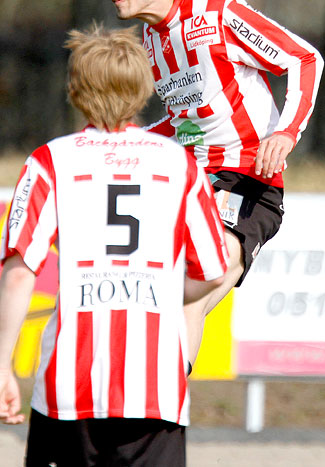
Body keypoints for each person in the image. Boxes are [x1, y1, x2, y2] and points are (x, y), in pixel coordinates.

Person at [89, 0, 324, 365]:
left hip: (247, 184)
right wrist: (127, 140)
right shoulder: (153, 41)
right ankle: (152, 408)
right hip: (194, 187)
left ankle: (159, 412)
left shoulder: (216, 15)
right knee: (162, 301)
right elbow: (185, 124)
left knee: (186, 291)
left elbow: (304, 58)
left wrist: (286, 132)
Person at [0, 25, 229, 466]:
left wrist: (3, 365)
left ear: (75, 89)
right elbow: (211, 272)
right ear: (144, 89)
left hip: (69, 386)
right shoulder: (178, 163)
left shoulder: (51, 161)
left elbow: (19, 272)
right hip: (155, 387)